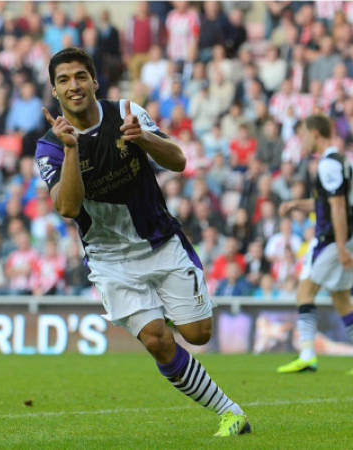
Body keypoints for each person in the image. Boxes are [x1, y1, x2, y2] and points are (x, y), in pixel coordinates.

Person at [35, 47, 250, 437]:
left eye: (81, 76)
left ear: (95, 81)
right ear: (55, 91)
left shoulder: (127, 112)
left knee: (199, 333)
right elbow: (67, 207)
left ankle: (165, 308)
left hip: (159, 240)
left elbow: (179, 160)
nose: (74, 85)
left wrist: (144, 139)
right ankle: (230, 412)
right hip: (109, 259)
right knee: (156, 340)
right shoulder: (50, 146)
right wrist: (71, 150)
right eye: (64, 80)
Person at [277, 114, 353, 374]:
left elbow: (339, 206)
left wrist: (342, 246)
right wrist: (297, 204)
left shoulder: (327, 165)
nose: (303, 140)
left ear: (316, 134)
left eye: (305, 135)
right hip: (337, 238)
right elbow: (328, 202)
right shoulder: (341, 162)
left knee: (305, 292)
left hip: (332, 240)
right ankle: (307, 354)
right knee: (341, 298)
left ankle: (308, 354)